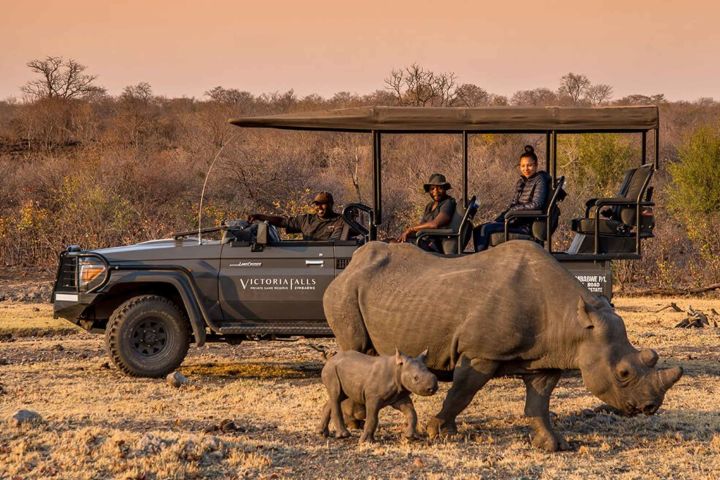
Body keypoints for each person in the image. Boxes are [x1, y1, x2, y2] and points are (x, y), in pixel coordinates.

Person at [473, 145, 550, 252]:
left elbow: (537, 204)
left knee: (485, 229)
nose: (526, 169)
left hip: (524, 225)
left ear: (536, 166)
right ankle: (480, 259)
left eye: (529, 165)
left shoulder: (540, 180)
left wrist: (514, 210)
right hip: (513, 220)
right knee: (478, 228)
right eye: (523, 166)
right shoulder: (521, 182)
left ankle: (480, 262)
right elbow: (512, 206)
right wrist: (498, 220)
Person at [247, 191, 347, 241]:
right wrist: (259, 216)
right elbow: (283, 221)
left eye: (323, 203)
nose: (319, 207)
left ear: (331, 204)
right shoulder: (306, 220)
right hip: (308, 258)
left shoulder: (341, 220)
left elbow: (356, 231)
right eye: (317, 204)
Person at [397, 173, 457, 252]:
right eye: (432, 189)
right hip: (424, 238)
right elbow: (422, 225)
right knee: (392, 242)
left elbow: (434, 224)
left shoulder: (448, 203)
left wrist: (410, 229)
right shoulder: (430, 205)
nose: (436, 191)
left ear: (445, 189)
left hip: (434, 244)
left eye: (440, 188)